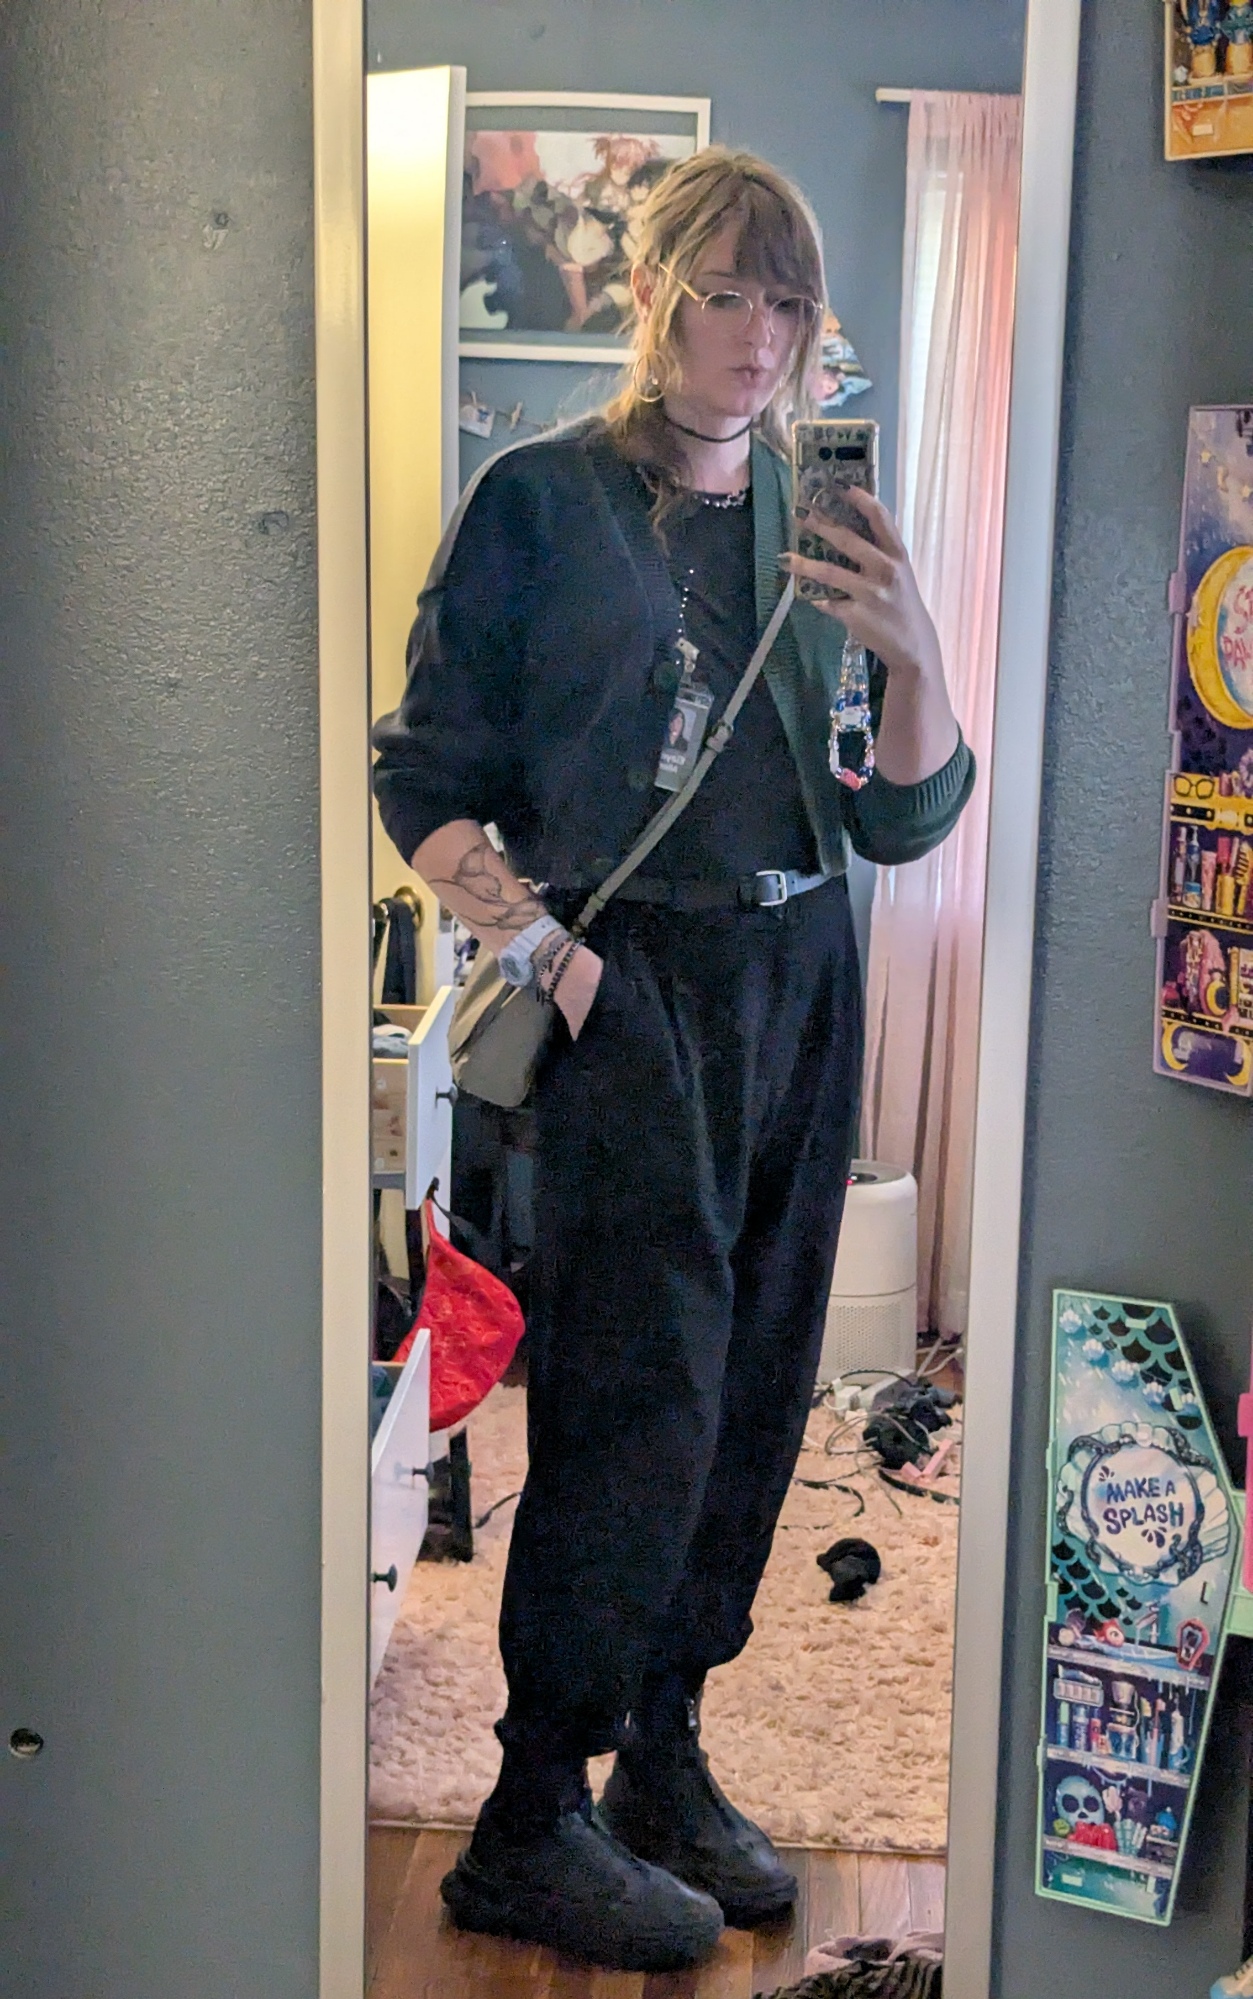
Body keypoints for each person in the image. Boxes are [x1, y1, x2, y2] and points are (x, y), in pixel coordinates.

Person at [372, 146, 974, 1973]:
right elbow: (423, 774)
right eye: (726, 294)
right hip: (630, 989)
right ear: (649, 295)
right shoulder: (539, 499)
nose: (760, 335)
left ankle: (665, 1751)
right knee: (636, 1394)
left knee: (758, 1385)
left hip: (803, 973)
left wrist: (915, 649)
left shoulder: (811, 509)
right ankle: (528, 1810)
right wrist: (548, 957)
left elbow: (901, 820)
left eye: (789, 302)